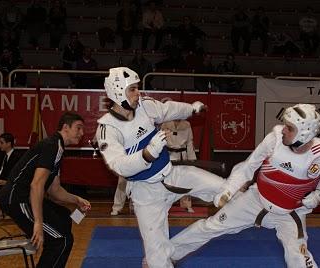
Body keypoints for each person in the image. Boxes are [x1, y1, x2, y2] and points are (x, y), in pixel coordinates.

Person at [171, 104, 320, 268]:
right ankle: (167, 254)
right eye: (285, 125)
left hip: (289, 213)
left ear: (305, 134)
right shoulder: (275, 139)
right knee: (211, 226)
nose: (283, 129)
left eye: (290, 128)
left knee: (298, 257)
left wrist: (319, 193)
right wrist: (228, 191)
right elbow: (249, 166)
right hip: (255, 199)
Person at [95, 67, 225, 268]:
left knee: (226, 188)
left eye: (137, 88)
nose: (138, 93)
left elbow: (168, 109)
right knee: (157, 260)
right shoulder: (108, 128)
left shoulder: (145, 106)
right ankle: (160, 254)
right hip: (145, 194)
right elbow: (119, 166)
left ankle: (260, 209)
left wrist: (191, 109)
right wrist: (146, 154)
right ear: (117, 91)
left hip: (172, 174)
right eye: (133, 89)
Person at [0, 112, 91, 268]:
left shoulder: (58, 148)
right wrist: (38, 224)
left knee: (64, 217)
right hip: (17, 200)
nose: (82, 133)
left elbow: (55, 191)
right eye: (78, 128)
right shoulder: (52, 145)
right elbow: (36, 185)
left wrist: (77, 200)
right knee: (61, 240)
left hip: (25, 198)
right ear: (65, 127)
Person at [161, 119, 197, 213]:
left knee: (184, 180)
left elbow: (189, 142)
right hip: (169, 155)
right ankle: (164, 204)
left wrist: (191, 158)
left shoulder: (187, 124)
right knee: (168, 181)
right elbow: (161, 140)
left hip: (182, 155)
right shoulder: (165, 123)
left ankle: (186, 205)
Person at [0, 132, 20, 197]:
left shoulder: (17, 157)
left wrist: (6, 182)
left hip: (7, 185)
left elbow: (17, 175)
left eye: (1, 143)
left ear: (8, 144)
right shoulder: (2, 155)